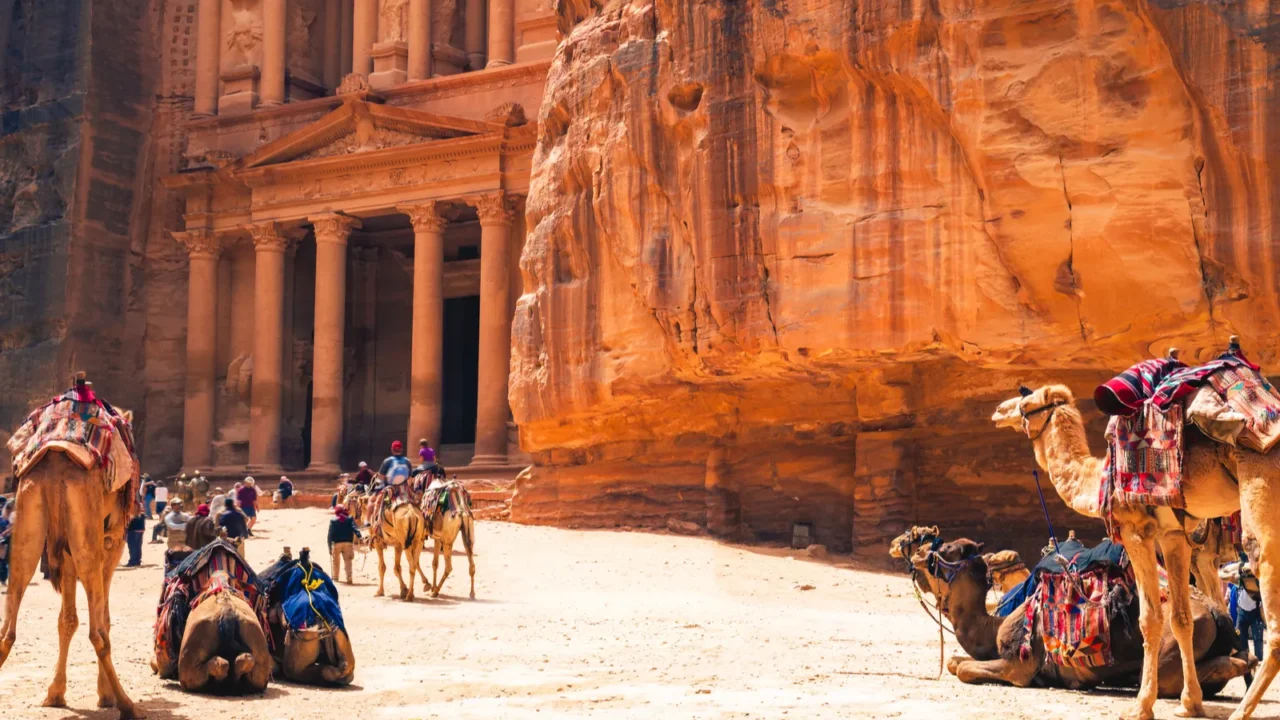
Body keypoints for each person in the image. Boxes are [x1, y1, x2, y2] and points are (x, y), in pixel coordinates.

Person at [1223, 558, 1265, 686]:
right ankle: (1246, 661)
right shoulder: (1238, 580)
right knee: (1241, 639)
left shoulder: (1257, 580)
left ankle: (1259, 664)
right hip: (1242, 611)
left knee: (1258, 639)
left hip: (1254, 611)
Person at [328, 505, 362, 584]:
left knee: (335, 561)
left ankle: (335, 577)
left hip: (336, 544)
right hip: (348, 543)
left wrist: (329, 547)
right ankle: (349, 577)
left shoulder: (333, 520)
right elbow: (355, 528)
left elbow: (330, 535)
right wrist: (359, 536)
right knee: (348, 561)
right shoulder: (349, 519)